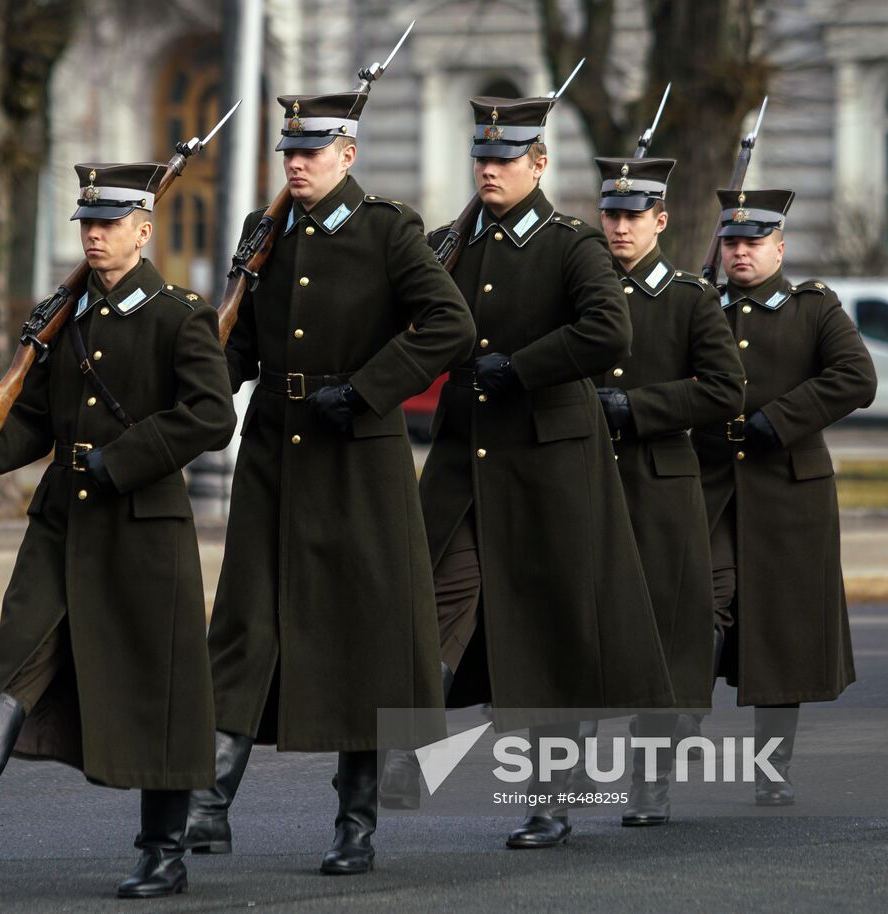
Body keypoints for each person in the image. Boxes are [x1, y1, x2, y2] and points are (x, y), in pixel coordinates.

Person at [0, 162, 237, 898]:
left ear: (144, 232)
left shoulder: (180, 314)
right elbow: (37, 422)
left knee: (157, 686)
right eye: (86, 224)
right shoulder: (67, 313)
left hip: (141, 523)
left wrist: (125, 459)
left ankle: (163, 849)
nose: (94, 236)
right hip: (63, 517)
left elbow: (212, 416)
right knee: (14, 649)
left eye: (109, 225)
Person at [185, 89, 475, 875]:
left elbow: (450, 323)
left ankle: (355, 825)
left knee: (360, 634)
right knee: (246, 619)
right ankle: (207, 804)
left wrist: (370, 388)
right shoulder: (264, 230)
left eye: (312, 151)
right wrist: (200, 391)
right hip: (276, 455)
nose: (298, 164)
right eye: (289, 152)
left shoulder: (389, 228)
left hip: (359, 456)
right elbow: (240, 344)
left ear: (347, 154)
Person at [407, 95, 674, 849]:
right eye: (482, 160)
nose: (489, 170)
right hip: (464, 463)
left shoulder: (573, 246)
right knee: (431, 601)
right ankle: (395, 752)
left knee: (549, 628)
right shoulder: (451, 245)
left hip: (548, 463)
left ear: (539, 163)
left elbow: (604, 330)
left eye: (504, 159)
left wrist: (519, 369)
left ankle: (550, 798)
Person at [692, 188, 877, 805]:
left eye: (753, 242)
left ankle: (773, 768)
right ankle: (676, 731)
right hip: (712, 482)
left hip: (789, 491)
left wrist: (782, 418)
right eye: (732, 242)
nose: (741, 252)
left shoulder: (814, 308)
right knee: (702, 603)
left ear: (780, 246)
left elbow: (856, 377)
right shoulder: (699, 303)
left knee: (780, 630)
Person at [591, 155, 745, 825]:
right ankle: (550, 798)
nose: (620, 227)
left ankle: (649, 780)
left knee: (662, 640)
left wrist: (637, 409)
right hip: (589, 485)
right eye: (612, 215)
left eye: (633, 217)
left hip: (659, 488)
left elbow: (724, 387)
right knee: (578, 635)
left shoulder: (689, 297)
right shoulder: (581, 289)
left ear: (659, 220)